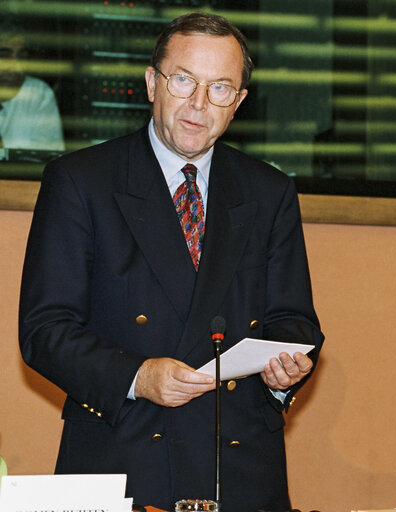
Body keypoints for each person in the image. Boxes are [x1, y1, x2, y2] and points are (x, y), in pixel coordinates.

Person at [18, 12, 323, 512]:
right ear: (151, 83)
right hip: (126, 455)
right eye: (184, 80)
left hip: (239, 463)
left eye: (220, 88)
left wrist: (287, 368)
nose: (199, 104)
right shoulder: (80, 181)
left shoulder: (269, 191)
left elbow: (294, 318)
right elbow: (45, 330)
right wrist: (138, 376)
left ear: (239, 102)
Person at [0, 20, 64, 152]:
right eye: (4, 57)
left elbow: (45, 164)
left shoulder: (38, 94)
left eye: (22, 57)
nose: (17, 67)